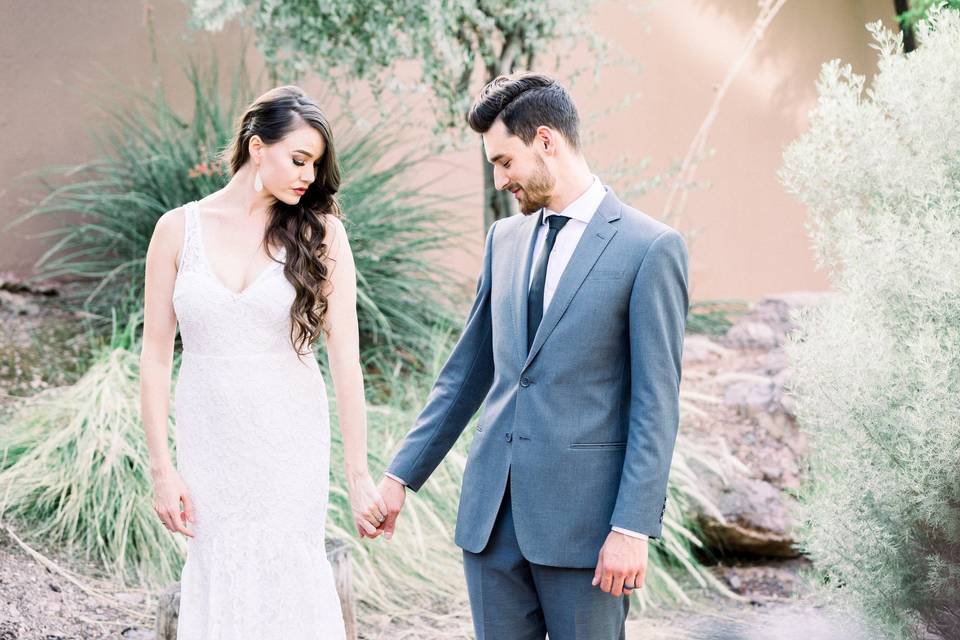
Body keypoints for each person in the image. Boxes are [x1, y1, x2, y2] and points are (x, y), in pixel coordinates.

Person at [376, 72, 689, 639]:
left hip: (589, 532)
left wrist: (632, 528)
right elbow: (467, 373)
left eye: (504, 162)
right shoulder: (505, 240)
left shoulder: (650, 248)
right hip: (491, 526)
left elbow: (656, 402)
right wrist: (400, 476)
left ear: (546, 141)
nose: (500, 181)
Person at [139, 85, 386, 639]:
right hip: (208, 442)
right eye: (298, 159)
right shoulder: (177, 230)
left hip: (288, 443)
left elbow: (346, 359)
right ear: (256, 146)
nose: (307, 175)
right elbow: (155, 357)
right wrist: (162, 469)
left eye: (315, 165)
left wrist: (359, 473)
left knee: (289, 575)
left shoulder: (323, 235)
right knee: (217, 571)